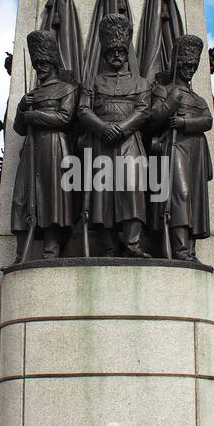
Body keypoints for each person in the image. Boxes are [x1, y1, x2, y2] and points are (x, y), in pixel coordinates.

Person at [76, 14, 152, 258]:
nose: (117, 55)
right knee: (103, 196)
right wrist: (103, 128)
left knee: (133, 191)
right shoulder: (92, 82)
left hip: (130, 142)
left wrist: (122, 128)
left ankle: (133, 245)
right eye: (112, 51)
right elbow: (83, 110)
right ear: (105, 54)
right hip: (101, 142)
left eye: (121, 51)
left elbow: (143, 110)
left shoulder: (140, 83)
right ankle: (108, 247)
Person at [11, 29, 78, 261]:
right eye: (37, 63)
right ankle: (21, 254)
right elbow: (19, 128)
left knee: (52, 197)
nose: (40, 68)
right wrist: (22, 108)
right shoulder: (31, 94)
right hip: (30, 150)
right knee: (22, 197)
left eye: (44, 63)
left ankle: (51, 251)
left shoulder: (66, 89)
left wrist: (35, 115)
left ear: (53, 64)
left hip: (54, 148)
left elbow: (65, 118)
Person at [149, 34, 213, 260]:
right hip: (174, 147)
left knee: (194, 198)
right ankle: (180, 249)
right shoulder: (163, 91)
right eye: (186, 65)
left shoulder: (198, 98)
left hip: (195, 148)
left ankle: (191, 250)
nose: (190, 69)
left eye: (193, 66)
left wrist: (184, 122)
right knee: (181, 193)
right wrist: (170, 105)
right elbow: (154, 119)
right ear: (178, 63)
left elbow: (208, 121)